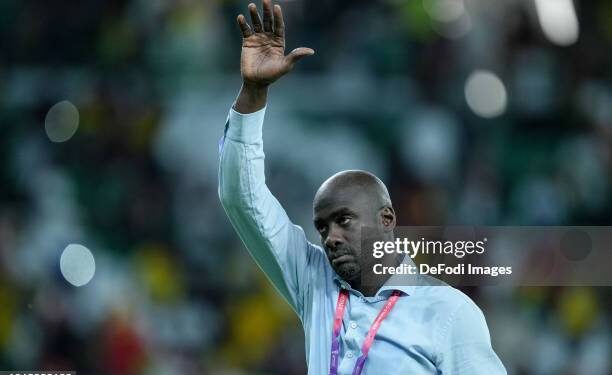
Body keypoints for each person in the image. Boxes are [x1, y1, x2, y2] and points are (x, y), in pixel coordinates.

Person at [218, 1, 507, 373]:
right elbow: (243, 199)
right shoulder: (315, 283)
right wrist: (253, 95)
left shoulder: (449, 312)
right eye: (322, 227)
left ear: (386, 218)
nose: (330, 237)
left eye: (343, 220)